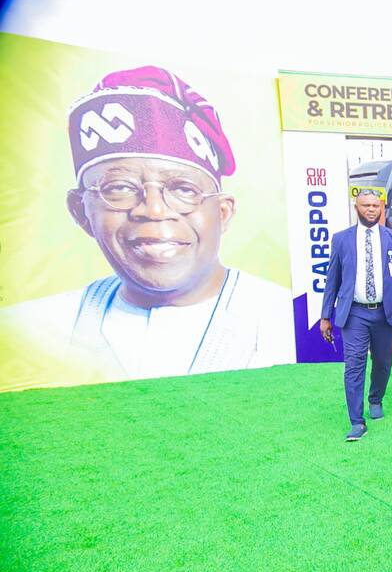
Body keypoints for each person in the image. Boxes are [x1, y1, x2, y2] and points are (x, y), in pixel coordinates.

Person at [0, 65, 294, 386]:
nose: (153, 210)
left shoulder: (293, 324)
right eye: (119, 188)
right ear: (81, 211)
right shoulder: (24, 332)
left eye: (184, 189)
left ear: (223, 213)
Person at [320, 190, 392, 441]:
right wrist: (325, 315)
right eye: (366, 205)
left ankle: (375, 398)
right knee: (354, 363)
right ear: (356, 207)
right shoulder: (341, 239)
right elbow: (332, 280)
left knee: (383, 361)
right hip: (354, 313)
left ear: (381, 208)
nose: (371, 209)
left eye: (375, 205)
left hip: (385, 312)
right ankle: (357, 421)